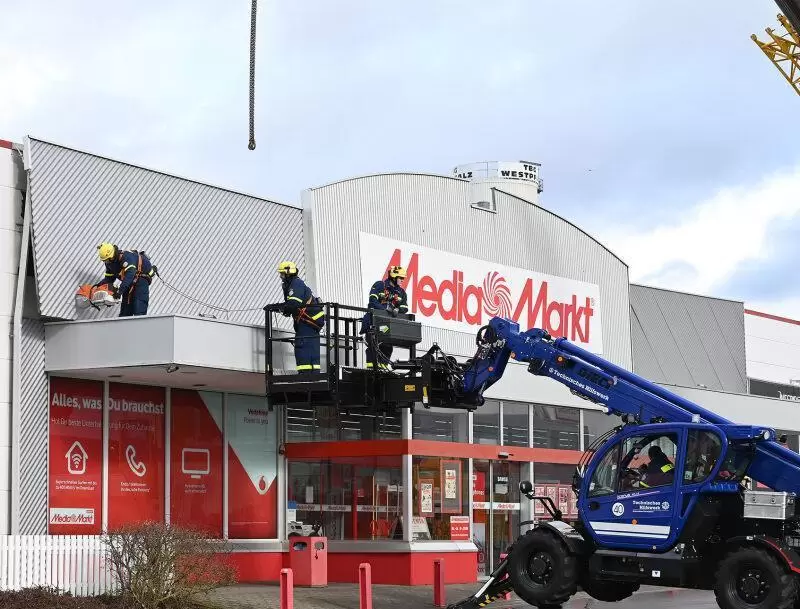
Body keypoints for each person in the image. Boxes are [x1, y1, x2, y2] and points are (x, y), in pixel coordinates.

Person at [278, 261, 325, 374]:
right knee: (312, 354)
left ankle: (305, 378)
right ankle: (312, 378)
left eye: (282, 274)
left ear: (288, 273)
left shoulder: (296, 284)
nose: (281, 277)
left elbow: (293, 304)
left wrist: (278, 307)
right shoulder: (297, 284)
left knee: (302, 351)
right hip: (310, 325)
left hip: (306, 324)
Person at [360, 265, 409, 370]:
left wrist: (397, 310)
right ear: (394, 277)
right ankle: (371, 370)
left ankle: (383, 371)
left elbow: (404, 308)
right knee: (373, 347)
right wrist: (386, 310)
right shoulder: (379, 285)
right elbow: (372, 301)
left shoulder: (401, 292)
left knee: (387, 348)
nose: (402, 280)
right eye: (400, 278)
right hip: (373, 323)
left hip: (388, 325)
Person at [95, 242, 155, 317]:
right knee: (125, 309)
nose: (106, 262)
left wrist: (120, 291)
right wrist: (97, 287)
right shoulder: (110, 263)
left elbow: (130, 275)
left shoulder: (126, 257)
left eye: (108, 260)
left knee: (139, 306)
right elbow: (109, 278)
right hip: (128, 282)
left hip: (141, 278)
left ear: (112, 255)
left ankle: (139, 325)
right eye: (105, 260)